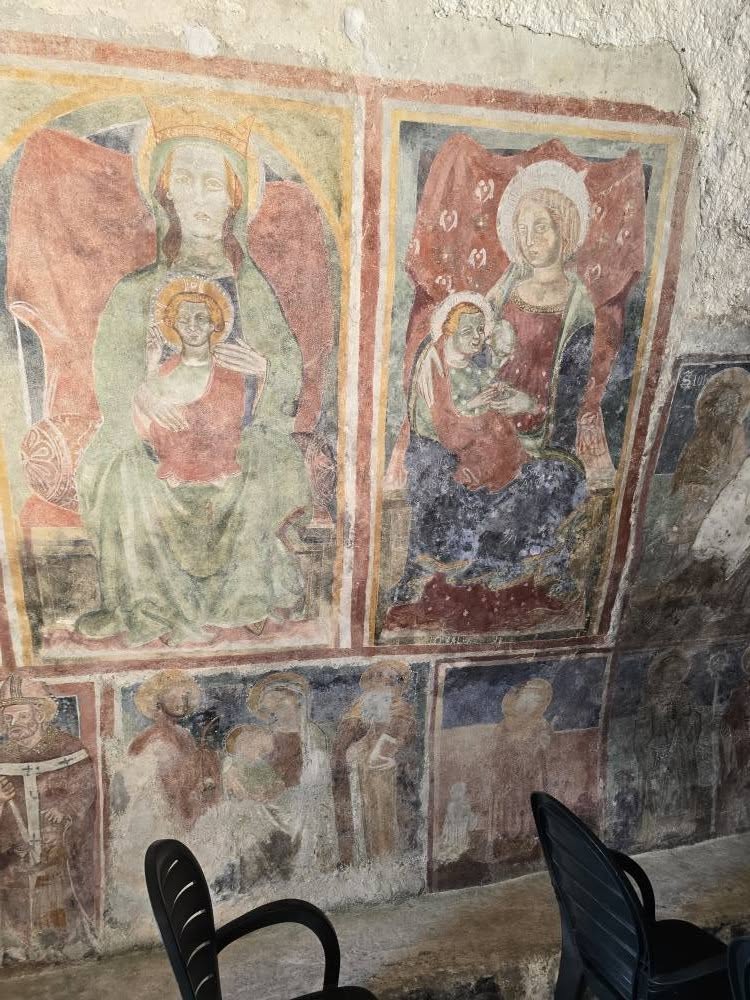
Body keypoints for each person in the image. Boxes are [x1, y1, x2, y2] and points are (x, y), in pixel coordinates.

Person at [76, 104, 311, 646]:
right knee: (121, 475)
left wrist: (265, 371)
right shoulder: (136, 291)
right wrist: (139, 396)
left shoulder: (251, 290)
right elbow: (111, 377)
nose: (200, 197)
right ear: (166, 195)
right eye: (185, 181)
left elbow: (286, 373)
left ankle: (244, 598)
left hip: (239, 440)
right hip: (158, 444)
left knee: (262, 469)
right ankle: (147, 604)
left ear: (234, 197)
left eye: (214, 184)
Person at [393, 160, 593, 607]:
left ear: (564, 231)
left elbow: (571, 396)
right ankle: (435, 566)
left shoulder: (578, 309)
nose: (530, 240)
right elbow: (466, 340)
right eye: (522, 230)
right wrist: (445, 363)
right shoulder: (507, 287)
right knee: (436, 469)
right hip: (480, 414)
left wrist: (528, 403)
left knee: (548, 481)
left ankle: (505, 562)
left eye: (541, 228)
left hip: (536, 433)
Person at [0, 674, 97, 962]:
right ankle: (17, 946)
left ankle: (62, 943)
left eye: (21, 715)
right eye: (8, 718)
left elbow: (85, 787)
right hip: (14, 847)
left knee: (55, 890)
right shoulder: (3, 754)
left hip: (57, 843)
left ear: (40, 715)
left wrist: (66, 809)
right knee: (13, 890)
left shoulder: (67, 748)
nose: (13, 723)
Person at [136, 277, 247, 487]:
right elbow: (147, 428)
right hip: (171, 477)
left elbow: (230, 432)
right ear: (174, 323)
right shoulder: (164, 370)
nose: (192, 326)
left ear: (214, 324)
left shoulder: (229, 375)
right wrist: (151, 365)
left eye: (201, 318)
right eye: (184, 319)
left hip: (219, 477)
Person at [247, 672, 338, 875]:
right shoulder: (268, 735)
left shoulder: (312, 734)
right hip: (275, 795)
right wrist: (264, 786)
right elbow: (261, 767)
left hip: (304, 793)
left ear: (297, 701)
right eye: (274, 706)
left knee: (308, 806)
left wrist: (290, 784)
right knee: (252, 810)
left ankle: (305, 866)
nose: (278, 709)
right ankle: (271, 869)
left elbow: (317, 770)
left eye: (282, 702)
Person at [331, 660, 417, 866]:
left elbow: (401, 737)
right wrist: (352, 746)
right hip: (355, 771)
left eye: (391, 677)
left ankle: (383, 861)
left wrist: (382, 752)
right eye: (379, 675)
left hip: (384, 773)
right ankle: (356, 861)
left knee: (381, 816)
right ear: (371, 679)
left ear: (398, 682)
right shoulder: (358, 706)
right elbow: (344, 739)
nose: (385, 680)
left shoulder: (401, 708)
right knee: (356, 815)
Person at [634, 649, 705, 847]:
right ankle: (657, 831)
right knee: (659, 791)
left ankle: (682, 828)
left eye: (677, 672)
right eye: (670, 671)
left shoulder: (685, 694)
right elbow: (643, 724)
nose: (674, 676)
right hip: (659, 751)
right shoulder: (651, 696)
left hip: (680, 752)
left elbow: (693, 720)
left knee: (681, 791)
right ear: (661, 672)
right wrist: (649, 745)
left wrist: (691, 717)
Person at [487, 678, 553, 862]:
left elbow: (543, 746)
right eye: (528, 698)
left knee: (526, 808)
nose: (530, 703)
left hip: (529, 778)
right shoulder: (505, 725)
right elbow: (496, 750)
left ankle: (527, 843)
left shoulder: (541, 724)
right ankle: (506, 845)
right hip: (508, 778)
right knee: (508, 809)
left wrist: (535, 745)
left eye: (537, 700)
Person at [222, 725, 285, 802]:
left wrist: (271, 790)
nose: (255, 750)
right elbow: (236, 791)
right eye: (248, 745)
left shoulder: (263, 765)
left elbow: (276, 783)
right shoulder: (233, 766)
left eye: (261, 749)